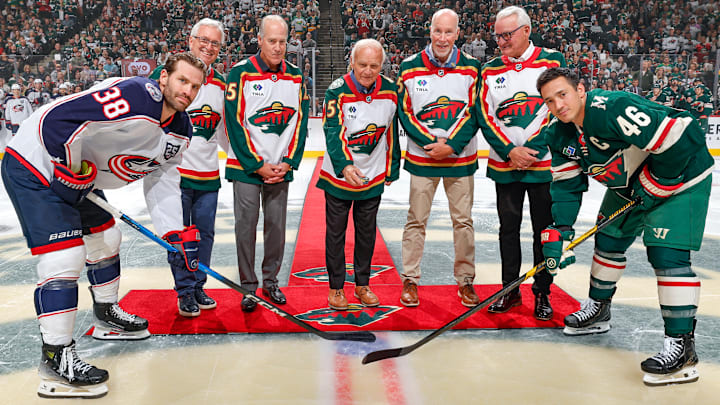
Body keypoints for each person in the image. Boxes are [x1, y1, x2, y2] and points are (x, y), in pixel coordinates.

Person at [1, 53, 206, 398]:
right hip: (37, 163)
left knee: (107, 238)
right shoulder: (139, 95)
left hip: (78, 175)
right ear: (164, 78)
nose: (187, 90)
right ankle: (55, 359)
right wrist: (70, 169)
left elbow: (163, 179)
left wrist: (174, 233)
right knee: (64, 257)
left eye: (195, 86)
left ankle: (106, 313)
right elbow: (58, 121)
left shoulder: (181, 129)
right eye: (182, 80)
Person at [537, 67, 713, 386]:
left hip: (682, 177)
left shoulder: (611, 108)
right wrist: (560, 230)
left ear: (580, 89)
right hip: (631, 185)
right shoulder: (558, 133)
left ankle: (682, 348)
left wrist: (659, 182)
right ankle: (598, 310)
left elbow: (683, 132)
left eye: (562, 94)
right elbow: (566, 187)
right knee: (608, 239)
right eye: (549, 101)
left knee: (667, 257)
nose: (558, 105)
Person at [477, 6, 566, 320]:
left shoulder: (553, 61)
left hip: (541, 166)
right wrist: (508, 150)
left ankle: (543, 292)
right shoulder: (488, 70)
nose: (501, 41)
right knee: (507, 230)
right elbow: (484, 116)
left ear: (526, 31)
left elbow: (559, 108)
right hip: (505, 166)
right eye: (497, 35)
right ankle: (509, 291)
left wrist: (532, 150)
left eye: (507, 35)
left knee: (544, 231)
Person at [396, 9, 481, 308]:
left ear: (458, 33)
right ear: (429, 31)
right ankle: (410, 279)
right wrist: (432, 143)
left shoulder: (472, 67)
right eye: (437, 31)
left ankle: (465, 281)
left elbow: (474, 112)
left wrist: (452, 145)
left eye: (449, 32)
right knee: (416, 220)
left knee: (463, 221)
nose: (442, 38)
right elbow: (404, 113)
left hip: (460, 159)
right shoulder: (408, 68)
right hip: (423, 159)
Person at [224, 15, 308, 313]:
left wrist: (289, 162)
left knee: (276, 228)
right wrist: (256, 163)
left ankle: (270, 282)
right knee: (245, 228)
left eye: (283, 41)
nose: (277, 47)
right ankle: (249, 287)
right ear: (259, 40)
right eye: (271, 41)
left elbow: (301, 123)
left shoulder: (297, 76)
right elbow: (234, 123)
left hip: (279, 170)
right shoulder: (240, 73)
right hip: (246, 168)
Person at [149, 18, 227, 317]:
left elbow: (222, 130)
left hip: (208, 175)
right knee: (179, 236)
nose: (208, 47)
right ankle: (184, 290)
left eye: (215, 43)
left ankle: (198, 284)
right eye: (203, 40)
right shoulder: (166, 74)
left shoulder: (222, 83)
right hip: (173, 174)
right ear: (191, 40)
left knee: (205, 235)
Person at [316, 39, 400, 310]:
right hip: (339, 177)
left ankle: (362, 285)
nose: (367, 70)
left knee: (366, 235)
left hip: (372, 176)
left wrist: (392, 167)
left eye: (374, 65)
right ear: (351, 62)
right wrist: (345, 166)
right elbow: (333, 131)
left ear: (381, 65)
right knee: (336, 235)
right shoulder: (336, 91)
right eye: (362, 64)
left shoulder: (391, 91)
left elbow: (391, 133)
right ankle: (336, 288)